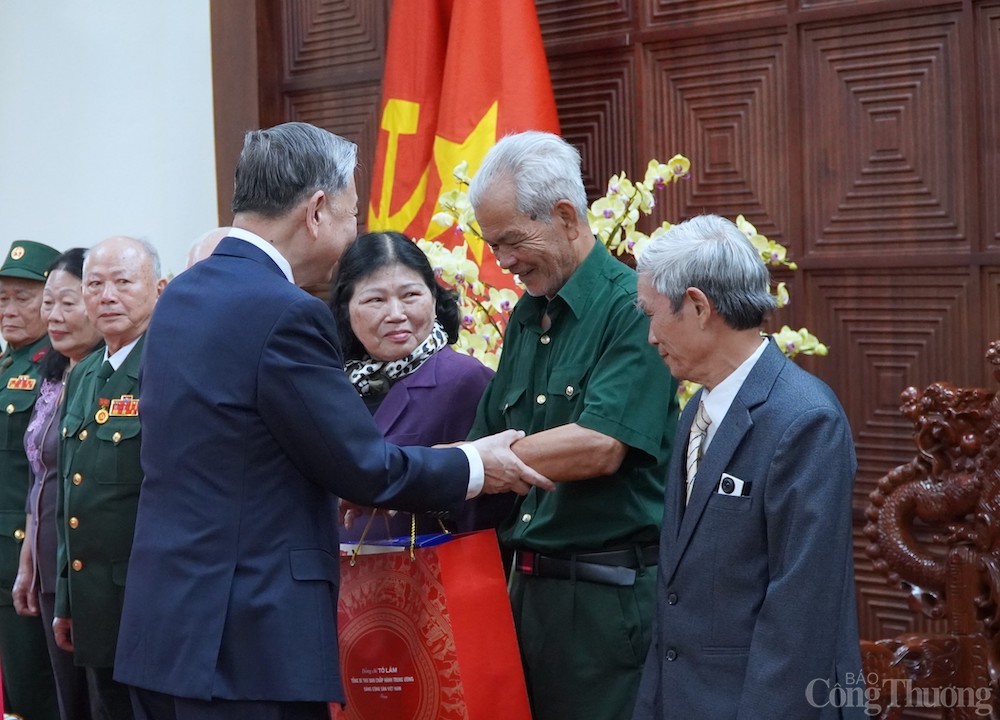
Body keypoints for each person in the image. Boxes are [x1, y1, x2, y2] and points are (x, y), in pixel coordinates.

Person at [113, 121, 551, 720]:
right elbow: (363, 467)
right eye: (351, 215)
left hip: (163, 635)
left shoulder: (183, 296)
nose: (354, 236)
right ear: (317, 210)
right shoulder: (282, 311)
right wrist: (478, 462)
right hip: (246, 647)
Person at [465, 131, 679, 720]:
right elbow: (485, 437)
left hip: (606, 609)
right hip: (525, 600)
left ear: (564, 215)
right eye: (492, 245)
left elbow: (600, 444)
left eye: (510, 241)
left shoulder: (632, 307)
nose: (501, 262)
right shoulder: (528, 316)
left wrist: (471, 465)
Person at [631, 214, 865, 719]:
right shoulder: (696, 409)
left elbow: (800, 618)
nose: (649, 336)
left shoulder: (806, 419)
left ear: (697, 306)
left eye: (650, 313)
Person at [54, 236, 166, 720]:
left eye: (123, 282)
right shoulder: (83, 374)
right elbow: (69, 493)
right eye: (95, 284)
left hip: (149, 601)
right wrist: (66, 597)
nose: (107, 296)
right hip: (94, 601)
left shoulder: (166, 366)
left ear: (159, 289)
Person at [330, 230, 494, 539]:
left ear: (433, 298)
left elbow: (487, 505)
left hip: (425, 575)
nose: (396, 314)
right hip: (345, 578)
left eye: (410, 295)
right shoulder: (334, 384)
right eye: (375, 300)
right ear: (346, 309)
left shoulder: (464, 380)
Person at [13, 248, 102, 720]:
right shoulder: (52, 375)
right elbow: (39, 474)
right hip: (48, 557)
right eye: (49, 303)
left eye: (68, 302)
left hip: (90, 565)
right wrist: (28, 558)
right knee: (67, 701)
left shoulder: (110, 378)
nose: (55, 315)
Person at [0, 239, 62, 720]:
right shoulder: (5, 366)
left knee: (32, 684)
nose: (9, 309)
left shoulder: (56, 368)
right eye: (3, 298)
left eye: (23, 298)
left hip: (22, 550)